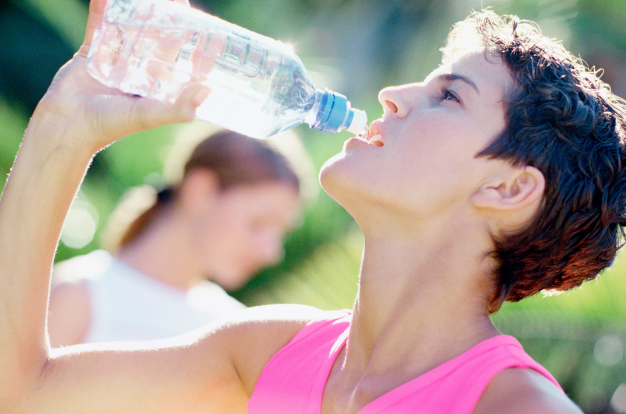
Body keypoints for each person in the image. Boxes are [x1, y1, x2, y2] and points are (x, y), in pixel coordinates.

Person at [1, 1, 624, 412]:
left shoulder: (514, 407)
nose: (391, 96)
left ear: (507, 188)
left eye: (449, 97)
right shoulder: (268, 354)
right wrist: (64, 127)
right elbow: (21, 390)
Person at [47, 128, 303, 346]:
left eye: (280, 234)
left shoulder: (233, 328)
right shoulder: (77, 296)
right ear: (200, 189)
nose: (271, 253)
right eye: (258, 224)